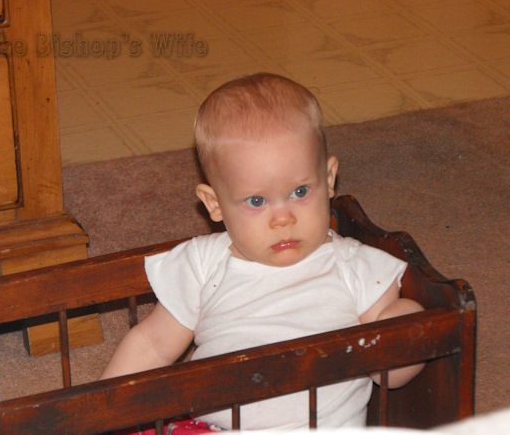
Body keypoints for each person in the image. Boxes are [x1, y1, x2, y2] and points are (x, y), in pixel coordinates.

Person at [101, 72, 424, 429]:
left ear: (329, 178)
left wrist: (408, 327)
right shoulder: (202, 264)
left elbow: (388, 374)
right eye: (256, 201)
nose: (283, 218)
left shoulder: (355, 267)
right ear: (214, 204)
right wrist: (100, 413)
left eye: (300, 192)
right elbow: (152, 345)